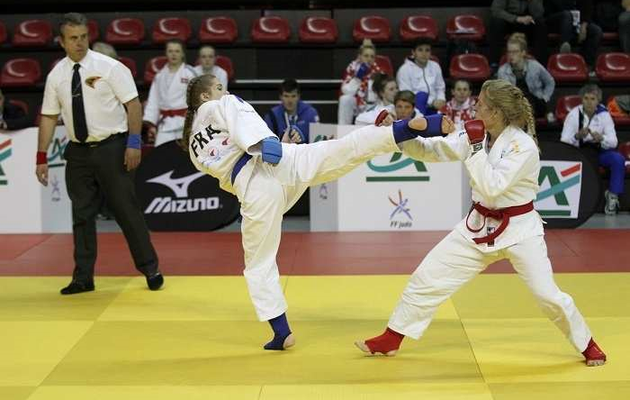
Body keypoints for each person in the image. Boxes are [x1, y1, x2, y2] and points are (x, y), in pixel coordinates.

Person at [181, 74, 453, 350]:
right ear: (204, 96)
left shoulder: (193, 146)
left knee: (258, 264)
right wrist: (266, 142)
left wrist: (266, 148)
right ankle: (407, 128)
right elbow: (237, 110)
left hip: (255, 190)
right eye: (217, 87)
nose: (223, 91)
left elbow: (225, 165)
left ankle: (281, 332)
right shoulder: (219, 105)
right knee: (340, 151)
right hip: (279, 160)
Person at [355, 79, 606, 367]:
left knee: (547, 295)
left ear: (497, 112)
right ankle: (392, 338)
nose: (475, 106)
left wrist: (474, 148)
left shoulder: (522, 147)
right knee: (427, 276)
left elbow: (492, 187)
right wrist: (398, 131)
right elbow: (431, 150)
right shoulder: (475, 134)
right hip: (477, 225)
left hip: (519, 229)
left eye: (481, 104)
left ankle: (587, 343)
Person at [35, 13, 164, 295]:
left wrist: (133, 143)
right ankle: (83, 278)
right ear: (62, 42)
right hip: (78, 152)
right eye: (73, 38)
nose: (79, 43)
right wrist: (41, 156)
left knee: (126, 211)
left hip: (113, 148)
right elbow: (47, 116)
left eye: (83, 36)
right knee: (81, 215)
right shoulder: (56, 75)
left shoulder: (110, 67)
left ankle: (150, 268)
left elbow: (133, 105)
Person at [560, 84, 623, 215]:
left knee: (618, 159)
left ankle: (613, 196)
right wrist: (577, 136)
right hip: (581, 152)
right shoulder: (574, 115)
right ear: (581, 100)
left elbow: (614, 142)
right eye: (586, 98)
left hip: (600, 151)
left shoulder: (604, 115)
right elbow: (564, 141)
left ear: (598, 101)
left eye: (592, 99)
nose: (589, 102)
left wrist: (602, 138)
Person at [143, 39, 197, 146]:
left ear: (182, 54)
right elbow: (154, 100)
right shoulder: (159, 76)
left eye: (177, 51)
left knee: (187, 156)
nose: (173, 54)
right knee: (161, 153)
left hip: (186, 122)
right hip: (165, 123)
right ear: (166, 54)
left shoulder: (190, 73)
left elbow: (197, 99)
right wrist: (151, 124)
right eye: (170, 51)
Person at [498, 34, 555, 119]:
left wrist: (545, 97)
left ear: (523, 52)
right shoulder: (502, 71)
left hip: (536, 103)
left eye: (515, 52)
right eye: (509, 52)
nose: (511, 55)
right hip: (514, 106)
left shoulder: (535, 66)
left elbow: (550, 82)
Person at [544, 0, 602, 72]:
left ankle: (586, 65)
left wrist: (584, 25)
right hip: (557, 21)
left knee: (596, 31)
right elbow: (548, 12)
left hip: (577, 22)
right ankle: (563, 49)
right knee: (567, 15)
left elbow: (587, 8)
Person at [489, 0, 548, 70]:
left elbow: (539, 14)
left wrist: (531, 1)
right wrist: (516, 19)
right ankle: (494, 64)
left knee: (540, 23)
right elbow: (496, 10)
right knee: (496, 22)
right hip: (509, 21)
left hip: (527, 21)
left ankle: (541, 65)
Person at [338, 39, 383, 125]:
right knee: (345, 99)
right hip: (356, 103)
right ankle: (342, 128)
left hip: (373, 105)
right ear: (360, 56)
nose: (369, 59)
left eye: (372, 56)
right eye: (366, 56)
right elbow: (346, 91)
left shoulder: (378, 72)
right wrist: (357, 78)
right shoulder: (352, 68)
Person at [396, 38, 446, 115]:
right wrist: (431, 102)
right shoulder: (404, 69)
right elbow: (406, 95)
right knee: (421, 95)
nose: (424, 53)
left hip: (435, 105)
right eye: (420, 50)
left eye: (427, 50)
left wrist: (440, 99)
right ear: (413, 52)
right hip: (415, 106)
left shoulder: (435, 66)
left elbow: (440, 87)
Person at [263, 79, 319, 143]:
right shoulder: (271, 115)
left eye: (293, 96)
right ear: (280, 97)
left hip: (305, 151)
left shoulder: (310, 113)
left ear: (298, 96)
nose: (290, 101)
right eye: (286, 96)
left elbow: (316, 141)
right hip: (282, 150)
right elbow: (268, 142)